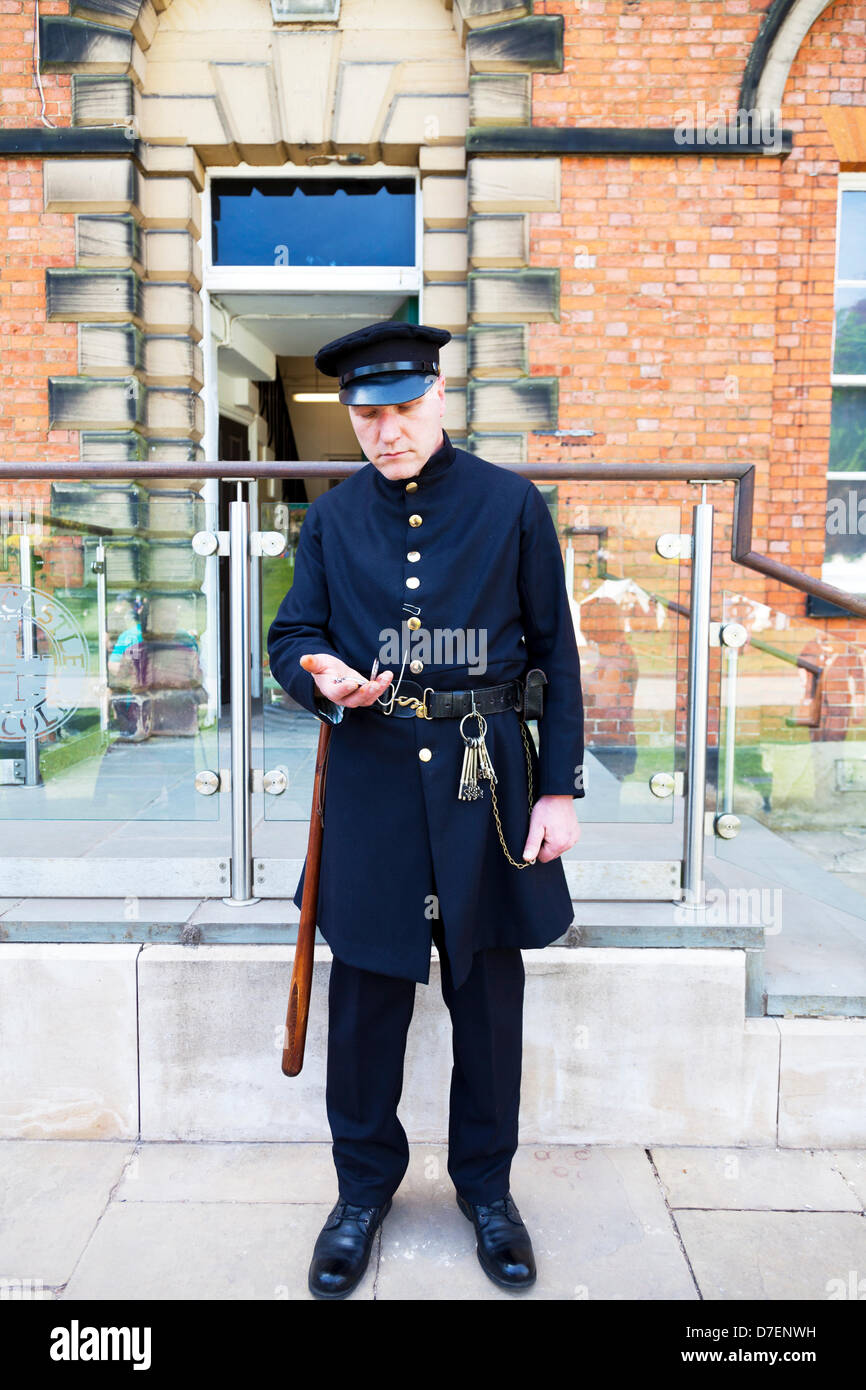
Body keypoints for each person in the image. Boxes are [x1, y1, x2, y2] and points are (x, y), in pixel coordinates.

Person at [267, 321, 585, 1299]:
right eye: (367, 415)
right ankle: (361, 1192)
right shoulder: (329, 521)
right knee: (364, 1007)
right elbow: (293, 634)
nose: (386, 432)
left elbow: (554, 653)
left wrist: (561, 785)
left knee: (486, 1004)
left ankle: (486, 1192)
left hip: (486, 783)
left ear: (438, 392)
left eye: (403, 408)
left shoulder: (509, 504)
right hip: (368, 788)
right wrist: (318, 673)